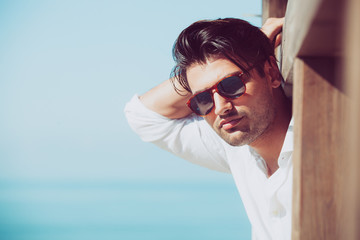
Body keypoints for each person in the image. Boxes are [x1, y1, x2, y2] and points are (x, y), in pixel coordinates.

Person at [124, 17, 292, 240]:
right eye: (203, 99)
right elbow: (142, 116)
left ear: (271, 72)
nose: (221, 108)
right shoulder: (236, 148)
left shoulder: (326, 144)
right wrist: (194, 77)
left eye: (231, 85)